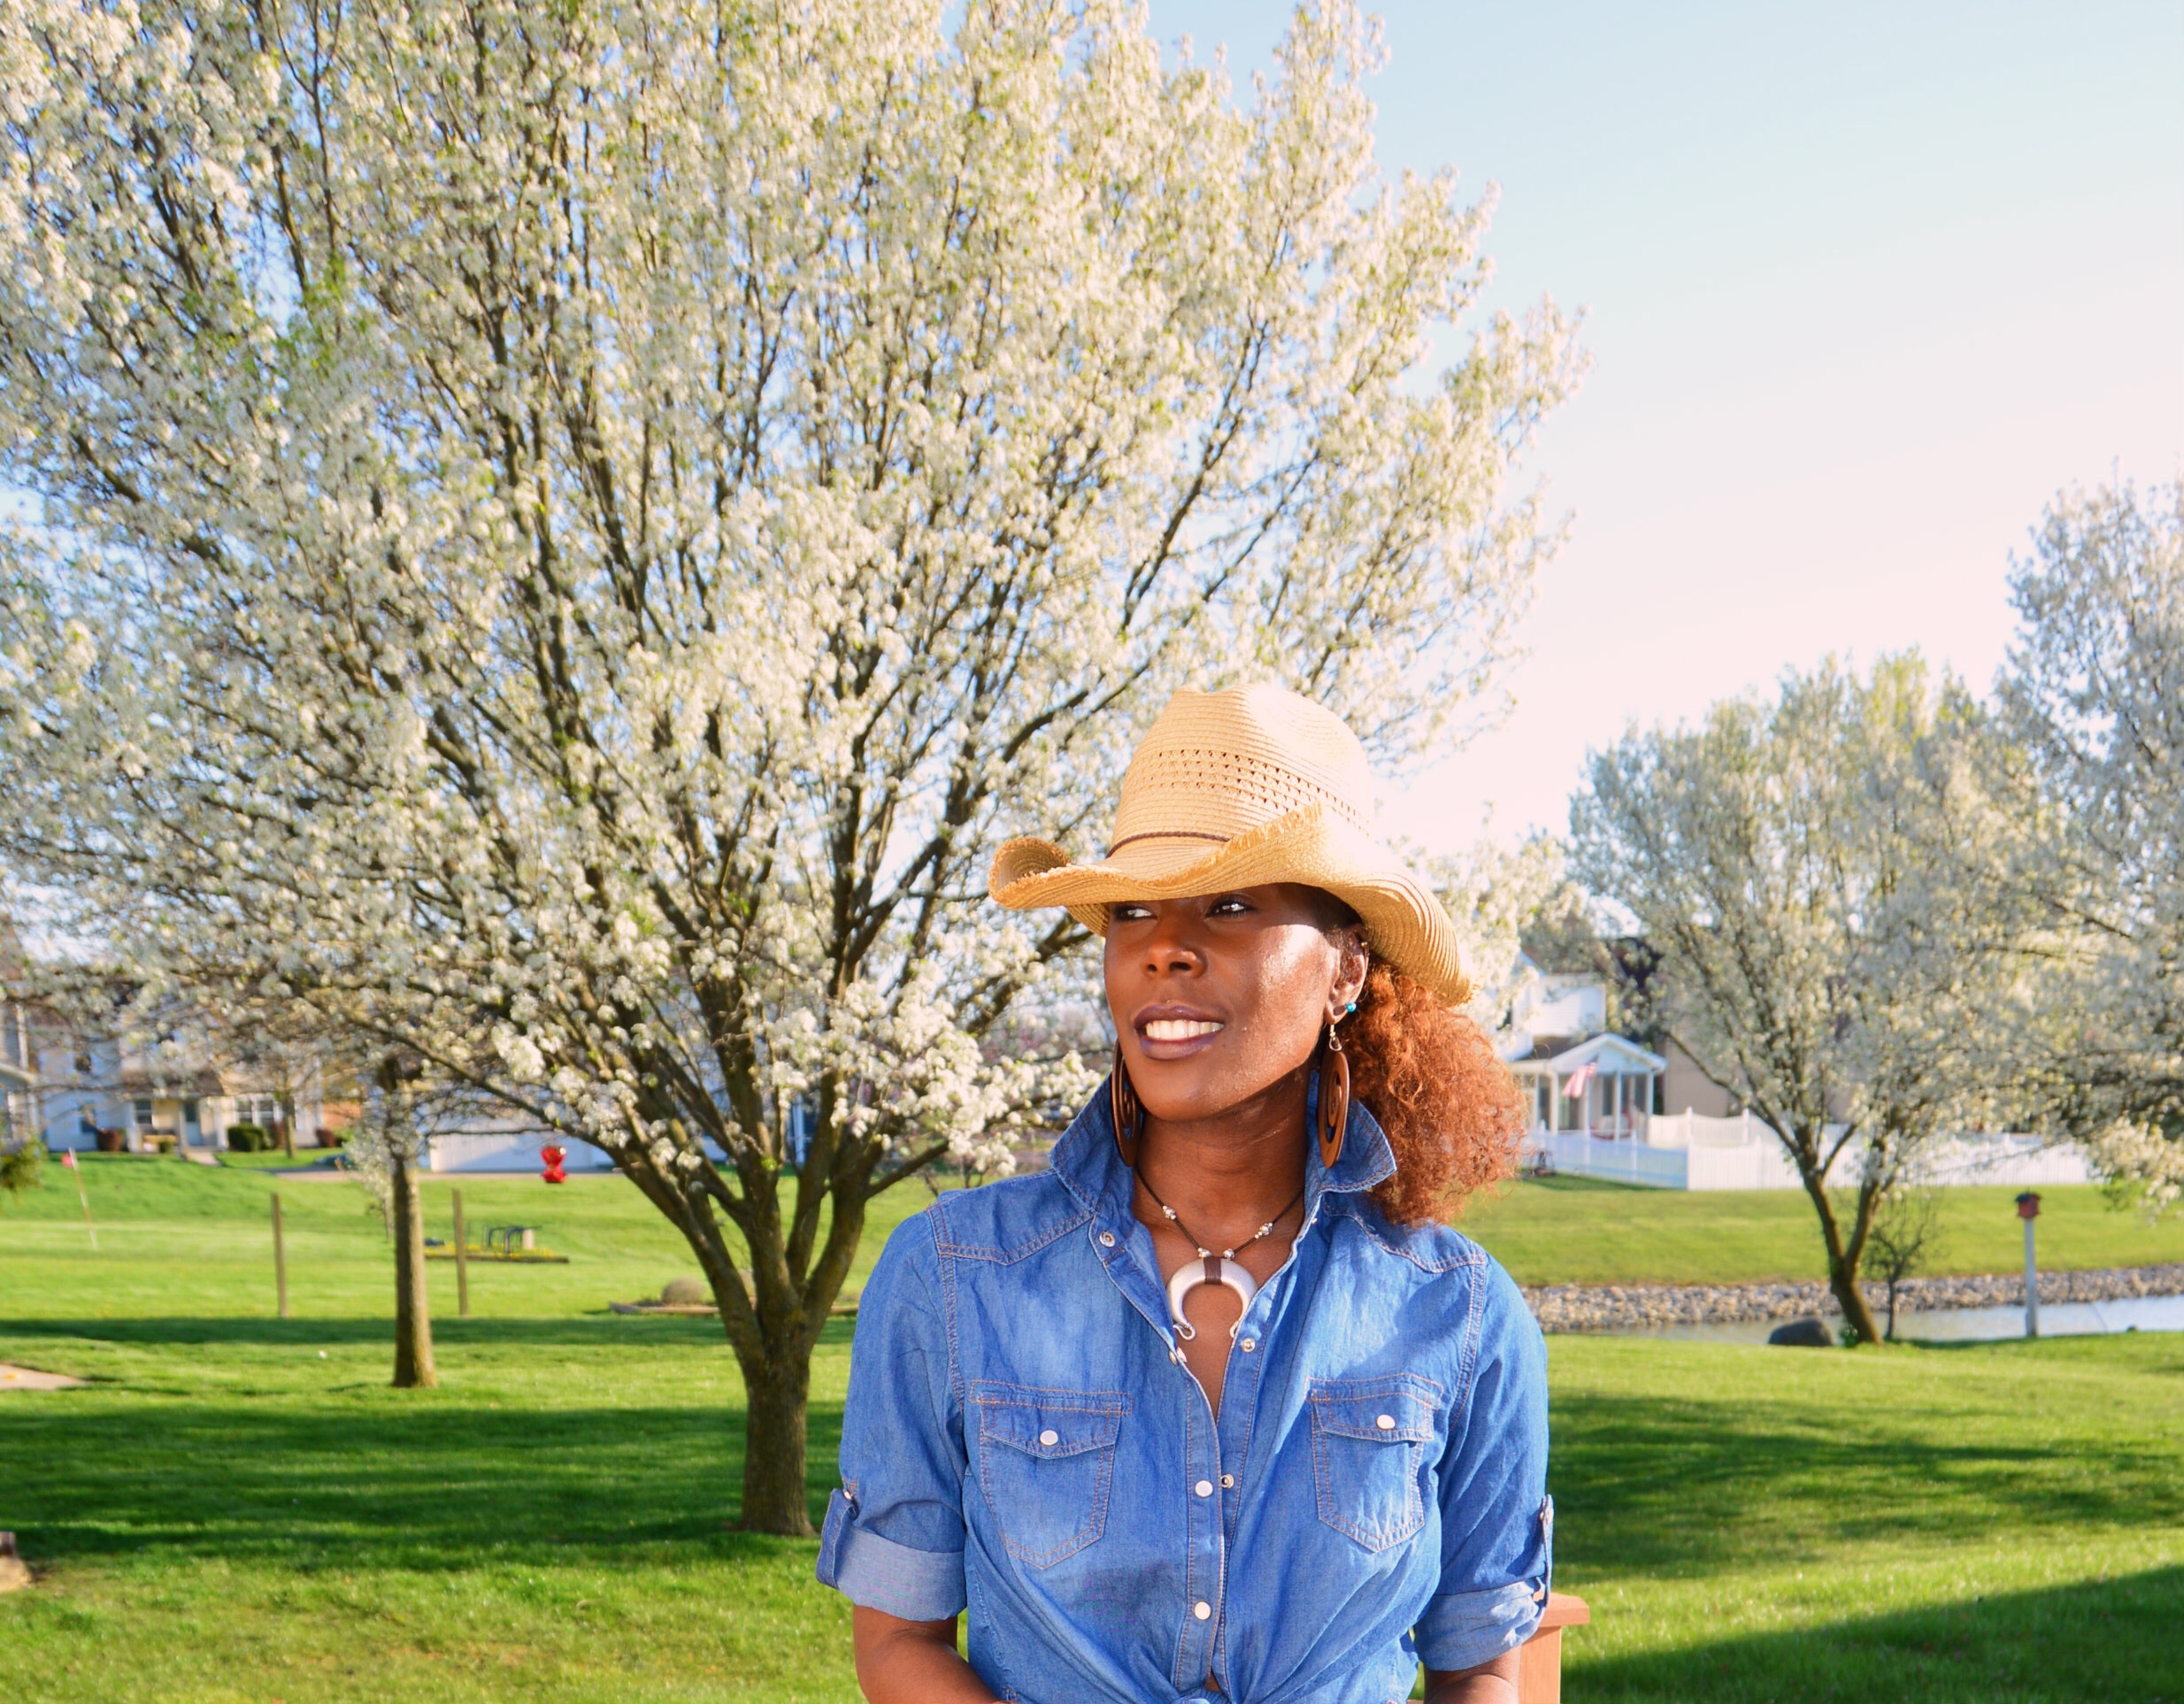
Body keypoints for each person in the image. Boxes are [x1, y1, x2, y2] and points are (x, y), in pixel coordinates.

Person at [818, 685, 1550, 1704]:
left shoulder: (1460, 1315)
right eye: (1131, 912)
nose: (1163, 945)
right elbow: (899, 1643)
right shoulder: (951, 1278)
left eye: (1230, 906)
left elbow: (1481, 1667)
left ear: (1344, 968)